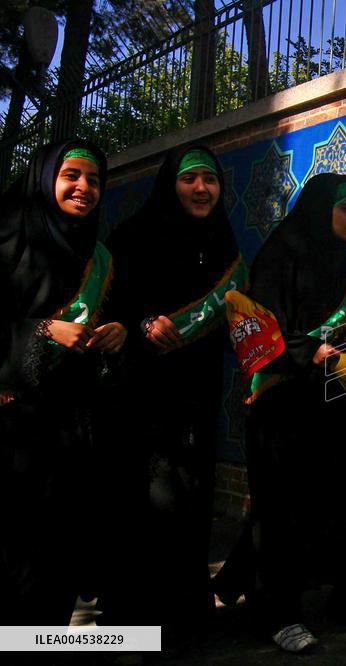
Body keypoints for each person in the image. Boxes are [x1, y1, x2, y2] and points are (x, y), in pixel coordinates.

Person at [233, 173, 346, 652]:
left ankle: (335, 601)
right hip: (280, 401)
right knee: (280, 510)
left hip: (326, 402)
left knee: (332, 501)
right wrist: (307, 351)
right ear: (323, 210)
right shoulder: (279, 256)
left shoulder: (344, 263)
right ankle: (277, 615)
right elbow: (258, 330)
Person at [100, 145, 246, 638]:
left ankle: (182, 623)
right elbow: (111, 308)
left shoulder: (225, 246)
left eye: (210, 179)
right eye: (190, 179)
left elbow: (233, 322)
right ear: (170, 184)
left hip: (197, 395)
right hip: (141, 395)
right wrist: (142, 324)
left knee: (190, 499)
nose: (201, 189)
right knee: (144, 504)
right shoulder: (133, 238)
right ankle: (130, 622)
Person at [0, 140, 125, 625]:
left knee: (58, 563)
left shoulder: (100, 256)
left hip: (72, 436)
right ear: (45, 178)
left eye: (94, 180)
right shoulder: (9, 241)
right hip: (14, 437)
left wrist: (119, 335)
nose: (84, 188)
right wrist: (43, 330)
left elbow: (112, 319)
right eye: (71, 175)